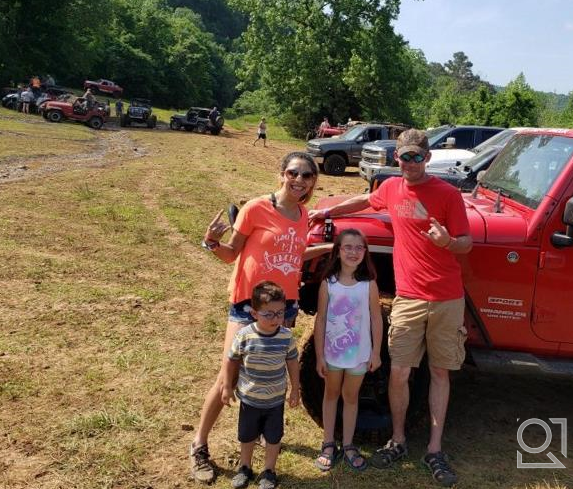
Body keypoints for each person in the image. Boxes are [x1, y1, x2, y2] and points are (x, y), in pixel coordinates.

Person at [308, 128, 472, 487]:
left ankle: (434, 448)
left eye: (417, 157)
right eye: (404, 157)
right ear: (396, 158)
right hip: (409, 296)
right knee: (399, 372)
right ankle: (398, 440)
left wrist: (448, 241)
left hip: (446, 297)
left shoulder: (447, 195)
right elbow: (365, 201)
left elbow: (466, 243)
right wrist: (328, 211)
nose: (410, 163)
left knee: (441, 373)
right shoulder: (392, 188)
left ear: (427, 158)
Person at [189, 151, 331, 484]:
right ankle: (199, 445)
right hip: (247, 304)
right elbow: (231, 255)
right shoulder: (256, 208)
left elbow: (292, 252)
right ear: (282, 173)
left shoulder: (302, 214)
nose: (300, 180)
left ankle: (265, 437)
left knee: (271, 373)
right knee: (230, 376)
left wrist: (323, 250)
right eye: (294, 173)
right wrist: (211, 242)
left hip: (284, 307)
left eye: (307, 176)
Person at [313, 229, 382, 473]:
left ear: (365, 252)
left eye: (358, 248)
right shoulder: (328, 284)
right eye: (347, 247)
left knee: (351, 397)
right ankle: (328, 443)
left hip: (359, 355)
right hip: (333, 354)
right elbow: (320, 320)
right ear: (338, 251)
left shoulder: (368, 285)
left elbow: (376, 317)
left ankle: (349, 444)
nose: (353, 252)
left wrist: (376, 353)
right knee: (331, 394)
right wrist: (319, 355)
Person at [221, 281, 300, 489]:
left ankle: (269, 471)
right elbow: (232, 360)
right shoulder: (245, 335)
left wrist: (295, 389)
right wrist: (227, 387)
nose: (276, 319)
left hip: (275, 401)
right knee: (246, 436)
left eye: (280, 313)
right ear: (255, 313)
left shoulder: (286, 336)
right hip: (250, 399)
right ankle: (245, 467)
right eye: (269, 314)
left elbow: (292, 362)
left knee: (274, 437)